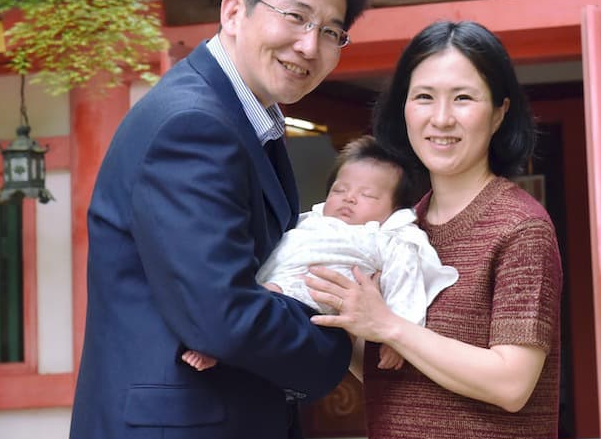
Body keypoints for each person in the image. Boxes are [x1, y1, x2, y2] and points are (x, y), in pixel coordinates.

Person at [67, 0, 373, 439]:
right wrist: (341, 339)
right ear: (235, 11)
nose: (309, 45)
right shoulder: (193, 125)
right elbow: (223, 316)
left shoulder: (244, 120)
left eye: (332, 31)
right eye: (296, 16)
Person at [305, 20, 563, 439]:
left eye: (463, 98)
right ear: (402, 109)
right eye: (424, 96)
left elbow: (511, 383)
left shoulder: (521, 227)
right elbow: (393, 372)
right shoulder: (402, 227)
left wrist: (388, 325)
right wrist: (347, 316)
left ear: (499, 112)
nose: (441, 118)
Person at [180, 135, 457, 373]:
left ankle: (218, 346)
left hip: (312, 300)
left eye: (368, 195)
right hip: (272, 284)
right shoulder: (308, 220)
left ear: (395, 212)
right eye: (340, 190)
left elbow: (405, 281)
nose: (349, 198)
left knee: (261, 312)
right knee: (245, 301)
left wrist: (399, 335)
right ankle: (215, 341)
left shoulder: (389, 237)